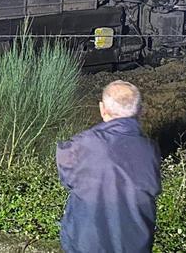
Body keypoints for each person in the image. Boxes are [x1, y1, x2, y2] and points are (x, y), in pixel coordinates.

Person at [56, 80, 162, 253]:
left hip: (87, 244)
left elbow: (66, 179)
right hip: (135, 245)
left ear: (102, 109)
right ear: (140, 111)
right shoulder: (150, 150)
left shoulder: (81, 145)